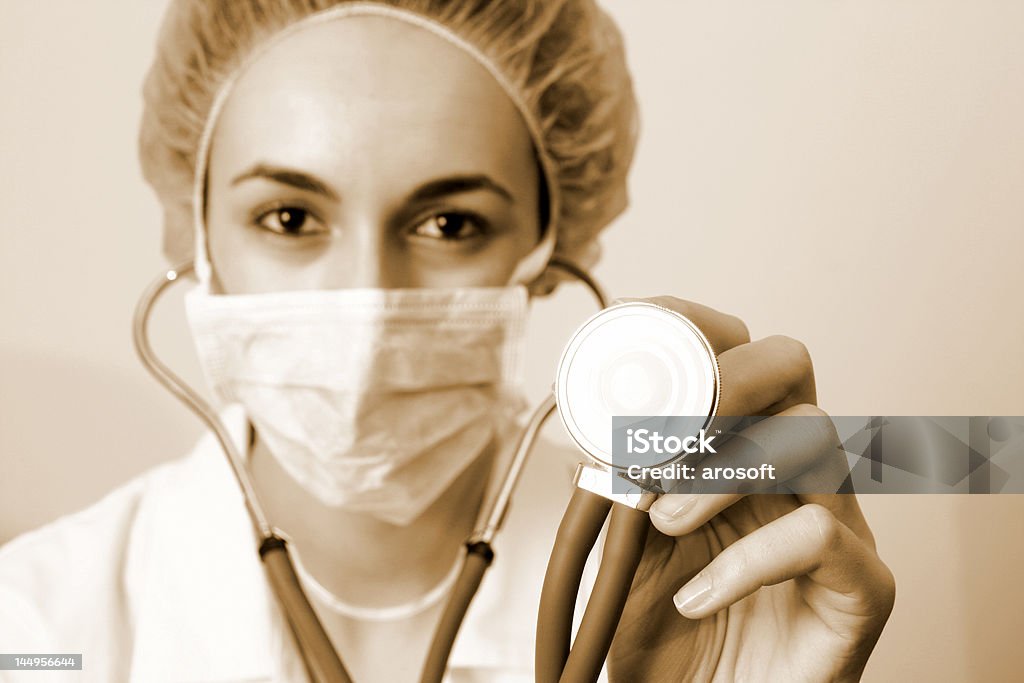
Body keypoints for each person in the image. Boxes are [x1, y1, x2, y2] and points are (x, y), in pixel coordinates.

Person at [0, 1, 895, 681]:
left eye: (451, 223)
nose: (369, 299)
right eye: (288, 216)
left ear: (551, 252)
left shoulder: (702, 588)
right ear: (192, 239)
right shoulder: (35, 629)